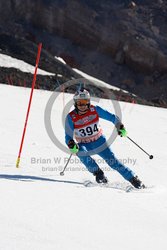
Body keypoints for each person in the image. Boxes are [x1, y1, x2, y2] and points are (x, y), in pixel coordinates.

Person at [65, 88, 145, 189]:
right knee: (80, 152)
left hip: (100, 142)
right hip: (84, 144)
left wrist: (119, 126)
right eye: (80, 103)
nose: (83, 106)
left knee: (113, 162)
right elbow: (68, 136)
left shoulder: (95, 110)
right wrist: (71, 143)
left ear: (89, 102)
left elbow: (113, 118)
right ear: (75, 103)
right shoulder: (71, 117)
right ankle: (98, 173)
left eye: (85, 102)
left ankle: (133, 178)